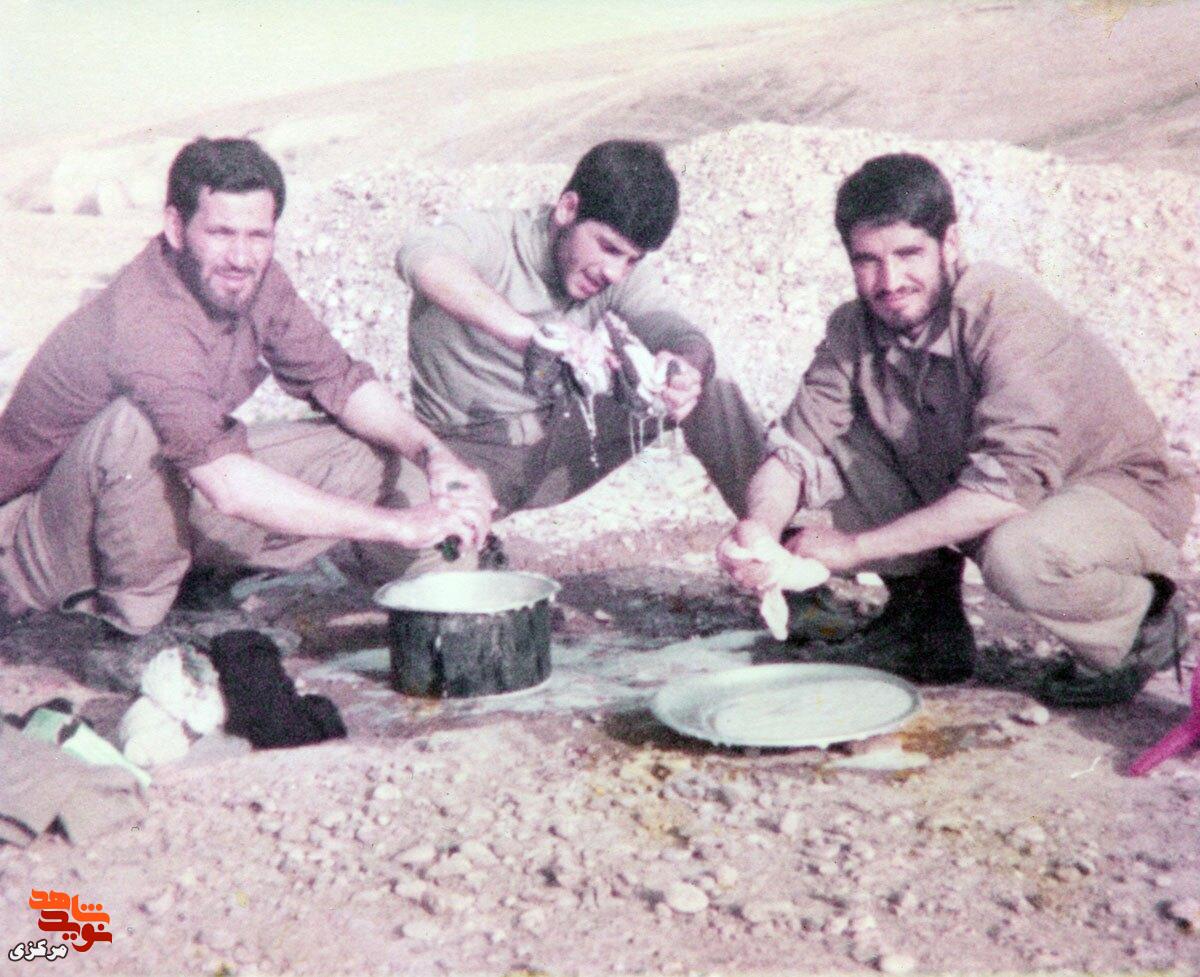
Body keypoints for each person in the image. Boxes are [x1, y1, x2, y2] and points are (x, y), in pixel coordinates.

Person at [719, 152, 1194, 707]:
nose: (890, 281)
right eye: (868, 260)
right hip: (993, 493)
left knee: (1018, 554)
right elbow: (794, 450)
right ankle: (925, 628)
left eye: (909, 254)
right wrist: (759, 530)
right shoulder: (854, 329)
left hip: (1113, 496)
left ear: (949, 243)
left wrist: (852, 548)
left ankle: (1142, 624)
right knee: (843, 438)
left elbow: (1007, 486)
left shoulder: (1005, 312)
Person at [0, 136, 493, 648]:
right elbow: (227, 486)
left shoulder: (258, 284)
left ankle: (444, 617)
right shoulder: (146, 317)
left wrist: (434, 454)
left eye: (258, 235)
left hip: (138, 505)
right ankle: (128, 635)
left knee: (378, 449)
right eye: (220, 233)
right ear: (176, 228)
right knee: (136, 429)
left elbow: (339, 381)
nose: (240, 256)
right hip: (37, 543)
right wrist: (399, 526)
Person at [395, 139, 765, 534]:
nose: (615, 273)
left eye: (632, 260)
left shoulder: (615, 272)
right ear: (568, 208)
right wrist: (531, 336)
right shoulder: (494, 238)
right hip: (475, 453)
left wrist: (686, 368)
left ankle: (772, 538)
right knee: (421, 531)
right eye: (608, 249)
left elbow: (679, 332)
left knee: (707, 385)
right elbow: (419, 256)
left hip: (564, 435)